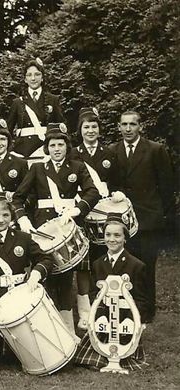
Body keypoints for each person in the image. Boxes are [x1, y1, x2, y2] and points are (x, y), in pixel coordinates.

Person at [11, 123, 100, 334]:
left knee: (71, 274)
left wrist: (77, 210)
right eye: (52, 145)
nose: (57, 149)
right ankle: (53, 324)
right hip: (45, 229)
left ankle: (72, 323)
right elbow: (18, 198)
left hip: (68, 226)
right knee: (50, 275)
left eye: (61, 144)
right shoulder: (37, 168)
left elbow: (92, 192)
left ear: (67, 147)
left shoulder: (78, 167)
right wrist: (23, 218)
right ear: (47, 148)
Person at [0, 193, 53, 361]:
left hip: (20, 297)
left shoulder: (24, 238)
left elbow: (46, 259)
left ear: (12, 218)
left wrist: (36, 273)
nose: (1, 220)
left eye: (5, 215)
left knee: (27, 349)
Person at [109, 111, 174, 323]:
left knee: (146, 265)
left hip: (148, 219)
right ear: (118, 127)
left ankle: (146, 311)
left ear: (140, 127)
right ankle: (125, 307)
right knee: (124, 263)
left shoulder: (155, 149)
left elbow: (166, 186)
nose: (128, 129)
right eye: (124, 125)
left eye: (132, 124)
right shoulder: (113, 151)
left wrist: (161, 216)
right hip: (123, 220)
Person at [74, 213, 149, 370]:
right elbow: (95, 294)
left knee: (124, 355)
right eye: (108, 235)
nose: (112, 239)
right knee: (90, 357)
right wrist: (99, 317)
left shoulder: (136, 265)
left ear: (125, 238)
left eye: (117, 235)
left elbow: (142, 299)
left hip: (126, 319)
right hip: (105, 318)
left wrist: (135, 321)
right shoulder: (97, 264)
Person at [68, 107, 119, 329]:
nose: (90, 130)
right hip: (81, 211)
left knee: (104, 257)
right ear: (80, 131)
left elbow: (116, 181)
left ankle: (107, 303)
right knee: (83, 262)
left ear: (99, 130)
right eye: (86, 127)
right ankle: (84, 310)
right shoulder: (73, 154)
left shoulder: (109, 153)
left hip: (105, 213)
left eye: (94, 127)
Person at [7, 58, 65, 164]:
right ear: (25, 79)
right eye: (29, 75)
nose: (33, 78)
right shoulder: (17, 102)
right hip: (23, 151)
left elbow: (60, 129)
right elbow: (8, 131)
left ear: (42, 78)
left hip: (46, 150)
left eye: (37, 74)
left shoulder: (53, 99)